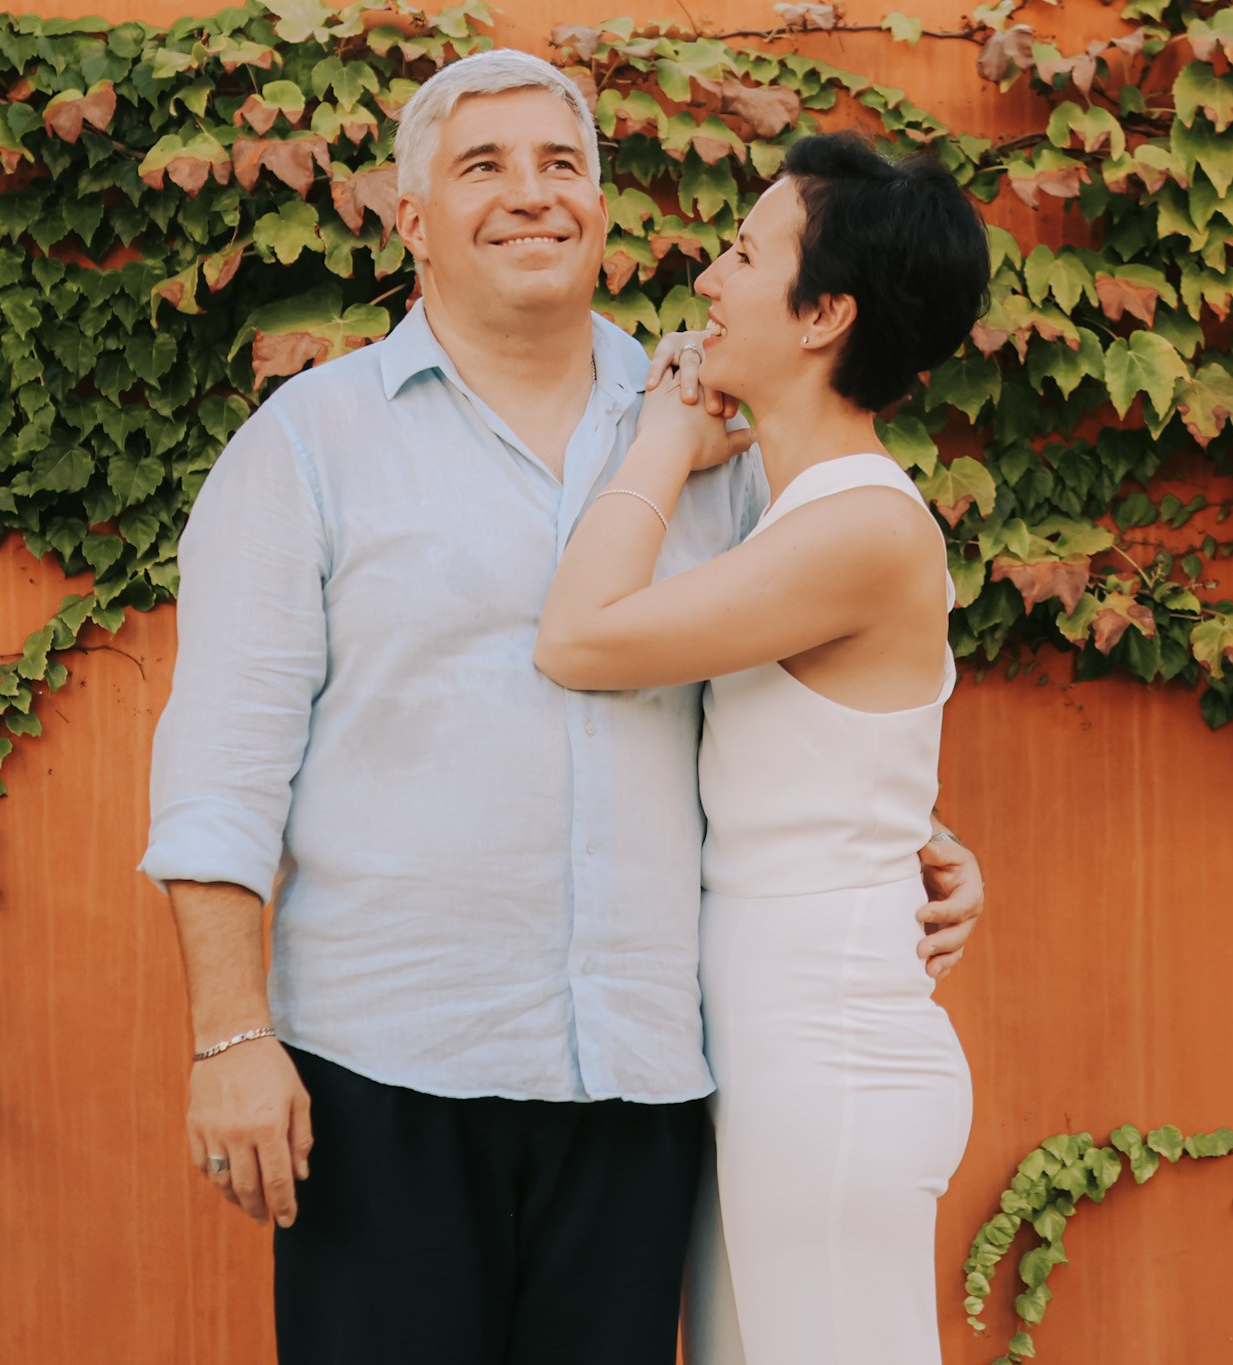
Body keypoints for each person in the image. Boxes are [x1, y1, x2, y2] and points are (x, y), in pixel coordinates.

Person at [138, 51, 985, 1365]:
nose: (531, 195)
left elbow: (804, 691)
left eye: (562, 164)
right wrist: (230, 1035)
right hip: (386, 1078)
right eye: (484, 166)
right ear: (411, 219)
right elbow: (220, 771)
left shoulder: (723, 446)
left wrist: (908, 844)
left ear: (601, 204)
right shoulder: (308, 447)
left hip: (644, 1088)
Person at [533, 131, 993, 1365]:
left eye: (742, 252)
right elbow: (823, 766)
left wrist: (660, 442)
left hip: (825, 1048)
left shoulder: (860, 527)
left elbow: (578, 639)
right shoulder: (804, 514)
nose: (709, 280)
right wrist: (930, 840)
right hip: (765, 1039)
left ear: (821, 313)